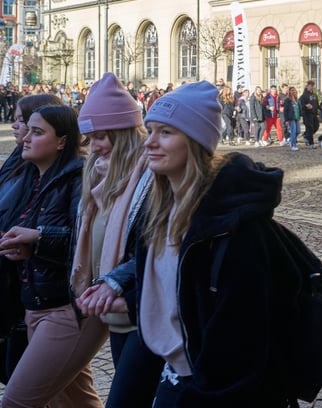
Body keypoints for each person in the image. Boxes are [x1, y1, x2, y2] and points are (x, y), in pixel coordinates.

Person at [134, 81, 292, 405]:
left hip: (210, 388)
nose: (149, 142)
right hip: (173, 372)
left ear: (193, 142)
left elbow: (243, 336)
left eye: (165, 133)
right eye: (150, 130)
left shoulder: (233, 226)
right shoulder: (157, 210)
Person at [0, 105, 106, 407]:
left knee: (17, 402)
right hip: (36, 302)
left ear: (62, 140)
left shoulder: (79, 176)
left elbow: (86, 241)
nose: (25, 138)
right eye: (25, 128)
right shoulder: (32, 178)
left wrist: (39, 238)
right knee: (73, 401)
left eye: (37, 131)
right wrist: (24, 244)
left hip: (68, 307)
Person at [71, 73, 164, 408]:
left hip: (141, 312)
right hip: (115, 315)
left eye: (100, 137)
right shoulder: (98, 173)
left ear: (123, 132)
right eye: (91, 137)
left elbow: (154, 249)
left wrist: (115, 283)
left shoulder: (150, 176)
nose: (93, 147)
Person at [300, 80, 320, 148]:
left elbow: (317, 104)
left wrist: (318, 111)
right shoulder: (304, 95)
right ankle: (311, 143)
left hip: (314, 114)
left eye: (313, 86)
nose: (311, 87)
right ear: (307, 86)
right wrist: (306, 106)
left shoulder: (315, 95)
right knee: (310, 128)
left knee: (316, 126)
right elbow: (300, 104)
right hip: (307, 114)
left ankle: (306, 135)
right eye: (310, 86)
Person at [282, 86, 301, 151]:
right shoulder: (287, 100)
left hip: (297, 117)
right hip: (291, 118)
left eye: (294, 90)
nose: (293, 92)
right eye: (291, 90)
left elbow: (299, 108)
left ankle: (290, 140)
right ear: (289, 92)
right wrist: (286, 120)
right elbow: (285, 110)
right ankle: (293, 145)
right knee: (293, 131)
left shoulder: (297, 99)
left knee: (298, 131)